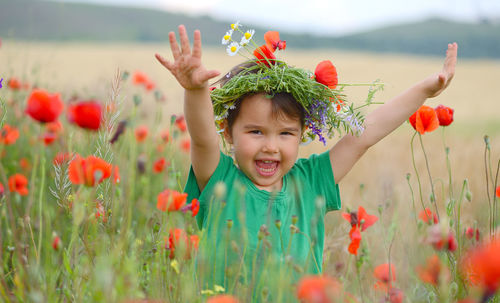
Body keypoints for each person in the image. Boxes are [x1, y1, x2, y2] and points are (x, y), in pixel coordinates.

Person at [155, 24, 457, 293]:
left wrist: (424, 90)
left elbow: (364, 134)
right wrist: (195, 91)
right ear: (229, 133)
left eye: (285, 133)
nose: (271, 147)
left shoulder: (311, 181)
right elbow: (202, 136)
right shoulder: (219, 179)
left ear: (303, 133)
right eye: (256, 131)